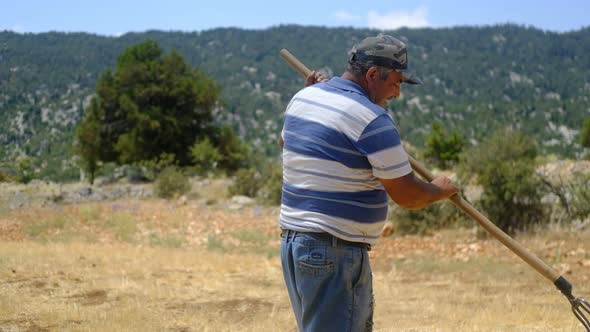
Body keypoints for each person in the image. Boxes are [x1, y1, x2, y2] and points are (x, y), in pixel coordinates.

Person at [278, 34, 459, 332]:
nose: (398, 93)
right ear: (373, 74)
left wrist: (313, 95)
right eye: (397, 82)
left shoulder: (304, 97)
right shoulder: (373, 119)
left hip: (295, 245)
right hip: (334, 252)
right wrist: (440, 189)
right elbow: (408, 195)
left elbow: (289, 143)